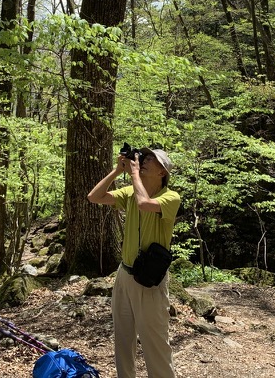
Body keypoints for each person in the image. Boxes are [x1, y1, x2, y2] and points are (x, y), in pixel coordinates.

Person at [88, 147, 181, 378]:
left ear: (162, 173)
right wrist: (117, 171)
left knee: (155, 344)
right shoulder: (130, 191)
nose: (145, 160)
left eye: (151, 159)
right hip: (124, 275)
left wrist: (134, 175)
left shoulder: (171, 197)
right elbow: (94, 197)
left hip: (150, 280)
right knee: (123, 339)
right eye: (144, 157)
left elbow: (144, 203)